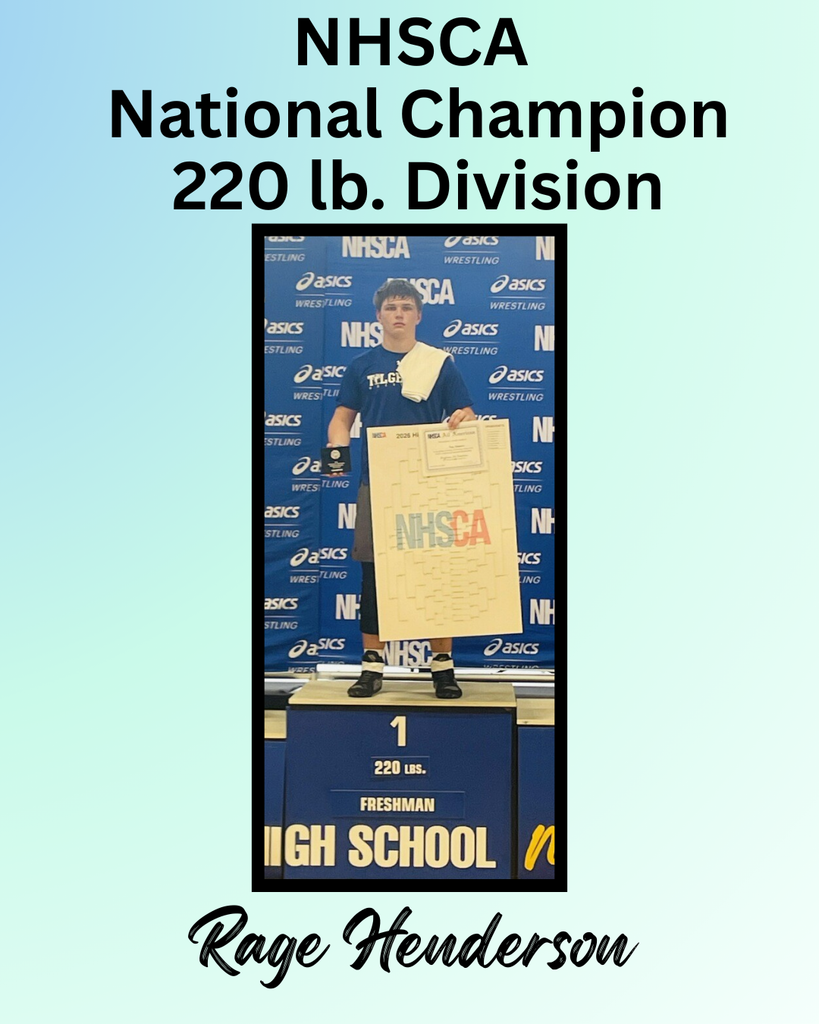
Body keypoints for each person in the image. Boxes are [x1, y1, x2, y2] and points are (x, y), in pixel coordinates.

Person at [327, 279, 476, 699]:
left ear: (418, 315)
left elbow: (464, 412)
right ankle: (372, 668)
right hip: (378, 484)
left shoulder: (439, 363)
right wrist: (337, 452)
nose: (398, 314)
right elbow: (342, 420)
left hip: (429, 484)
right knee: (373, 576)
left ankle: (442, 668)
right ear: (378, 316)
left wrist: (463, 420)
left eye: (406, 307)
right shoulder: (361, 366)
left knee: (436, 574)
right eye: (390, 307)